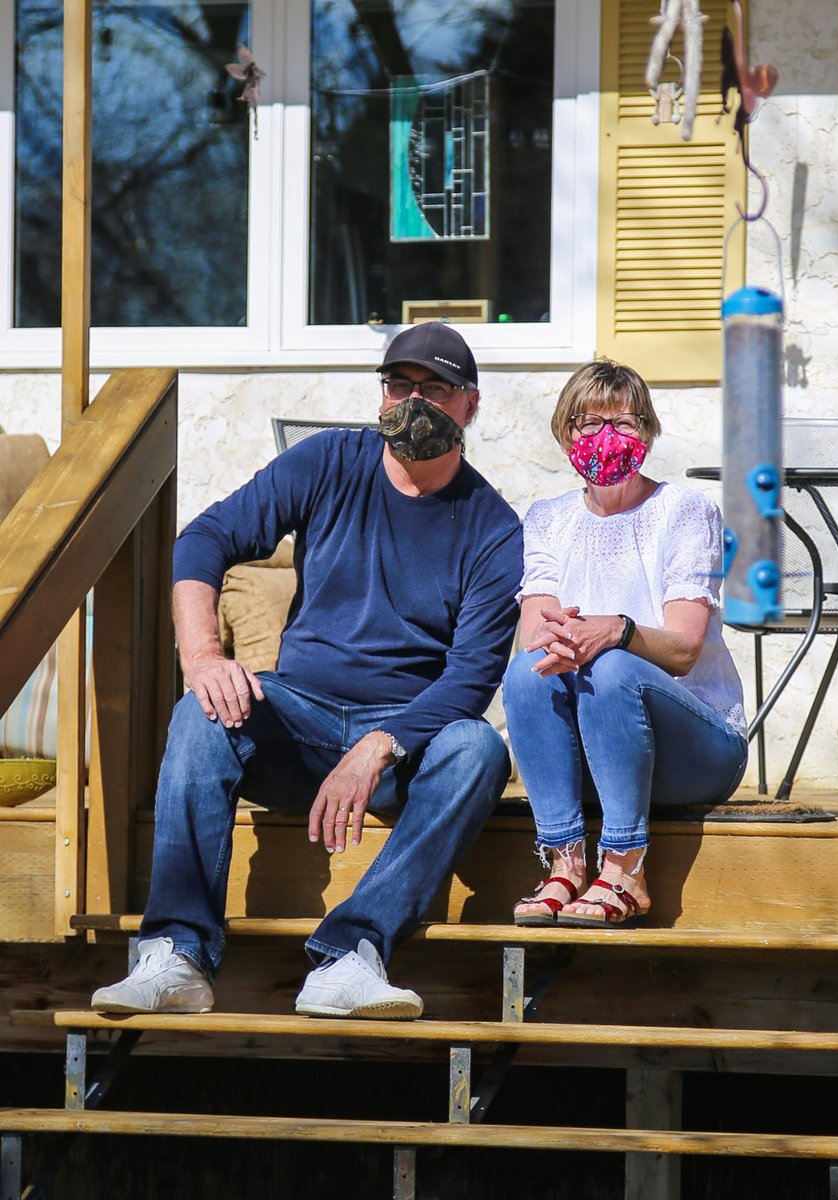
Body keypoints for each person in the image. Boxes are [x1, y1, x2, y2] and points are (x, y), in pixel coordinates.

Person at [92, 323, 522, 1019]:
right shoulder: (328, 461)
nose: (412, 402)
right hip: (299, 718)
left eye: (434, 389)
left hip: (400, 750)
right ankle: (177, 953)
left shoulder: (495, 529)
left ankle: (352, 955)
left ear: (469, 405)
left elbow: (471, 679)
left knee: (479, 748)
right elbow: (205, 538)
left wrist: (379, 745)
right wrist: (204, 657)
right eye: (399, 385)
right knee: (199, 714)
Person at [502, 359, 747, 927]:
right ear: (566, 435)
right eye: (588, 423)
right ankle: (564, 862)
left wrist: (616, 630)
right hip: (598, 750)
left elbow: (685, 649)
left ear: (649, 431)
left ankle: (626, 869)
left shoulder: (684, 511)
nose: (605, 436)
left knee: (610, 667)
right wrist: (563, 640)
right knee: (526, 671)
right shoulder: (547, 518)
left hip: (698, 746)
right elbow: (535, 633)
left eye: (624, 422)